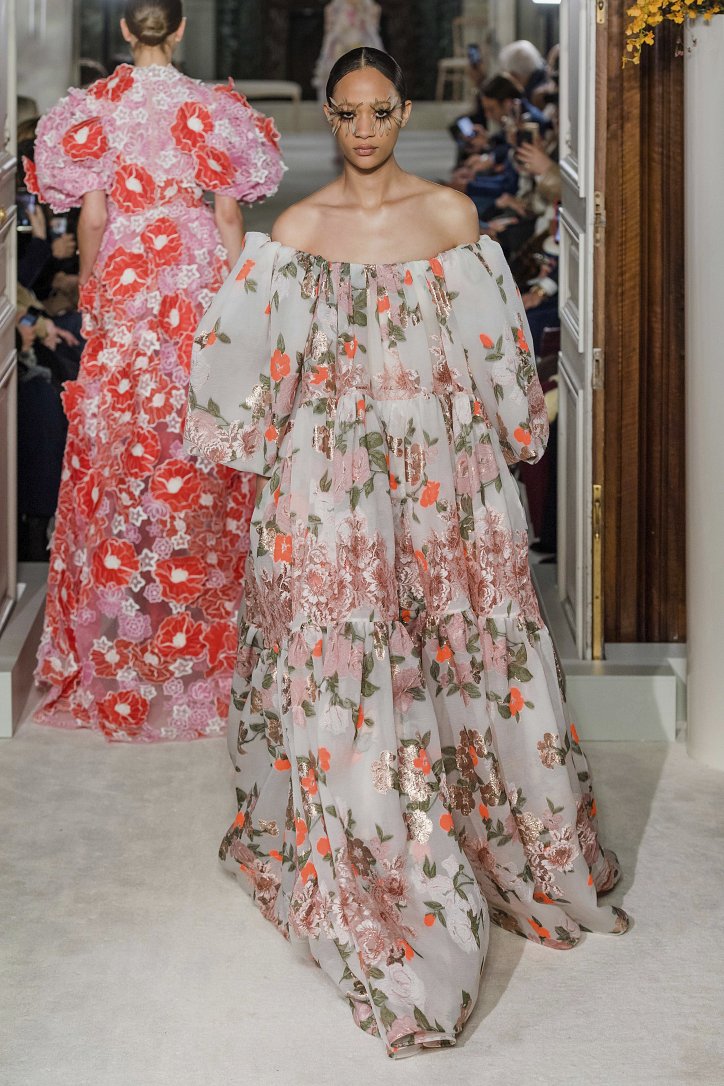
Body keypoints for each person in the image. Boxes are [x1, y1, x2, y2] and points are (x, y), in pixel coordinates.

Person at [185, 47, 629, 1057]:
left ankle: (484, 839)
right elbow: (245, 373)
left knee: (461, 651)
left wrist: (509, 441)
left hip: (443, 477)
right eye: (347, 113)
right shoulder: (297, 233)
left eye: (380, 112)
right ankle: (378, 875)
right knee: (346, 664)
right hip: (330, 479)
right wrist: (267, 460)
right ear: (330, 116)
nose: (364, 130)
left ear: (403, 111)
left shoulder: (452, 219)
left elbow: (496, 357)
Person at [29, 0, 285, 742]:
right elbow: (230, 217)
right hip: (194, 264)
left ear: (123, 30)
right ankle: (200, 628)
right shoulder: (213, 108)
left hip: (129, 271)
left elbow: (94, 218)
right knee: (195, 433)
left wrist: (93, 290)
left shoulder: (94, 108)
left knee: (120, 438)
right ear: (178, 29)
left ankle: (121, 622)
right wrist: (237, 298)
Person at [312, 0, 384, 103]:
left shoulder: (369, 6)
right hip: (339, 51)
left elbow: (373, 33)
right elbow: (330, 35)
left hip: (362, 49)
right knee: (336, 79)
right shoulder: (334, 7)